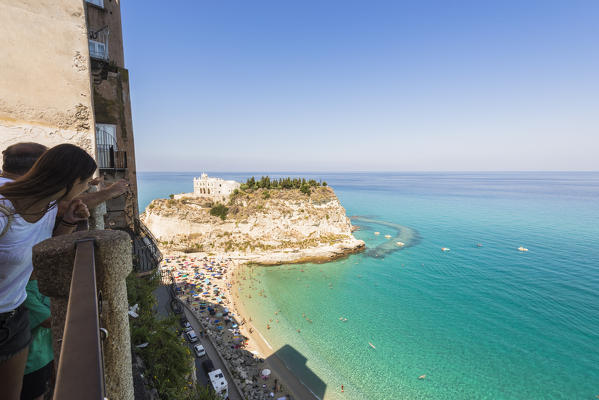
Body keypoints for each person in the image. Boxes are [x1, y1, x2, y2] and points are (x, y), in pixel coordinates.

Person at [0, 143, 96, 400]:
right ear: (72, 181)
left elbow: (39, 261)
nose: (86, 189)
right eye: (86, 183)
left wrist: (68, 223)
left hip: (15, 314)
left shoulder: (49, 208)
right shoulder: (4, 210)